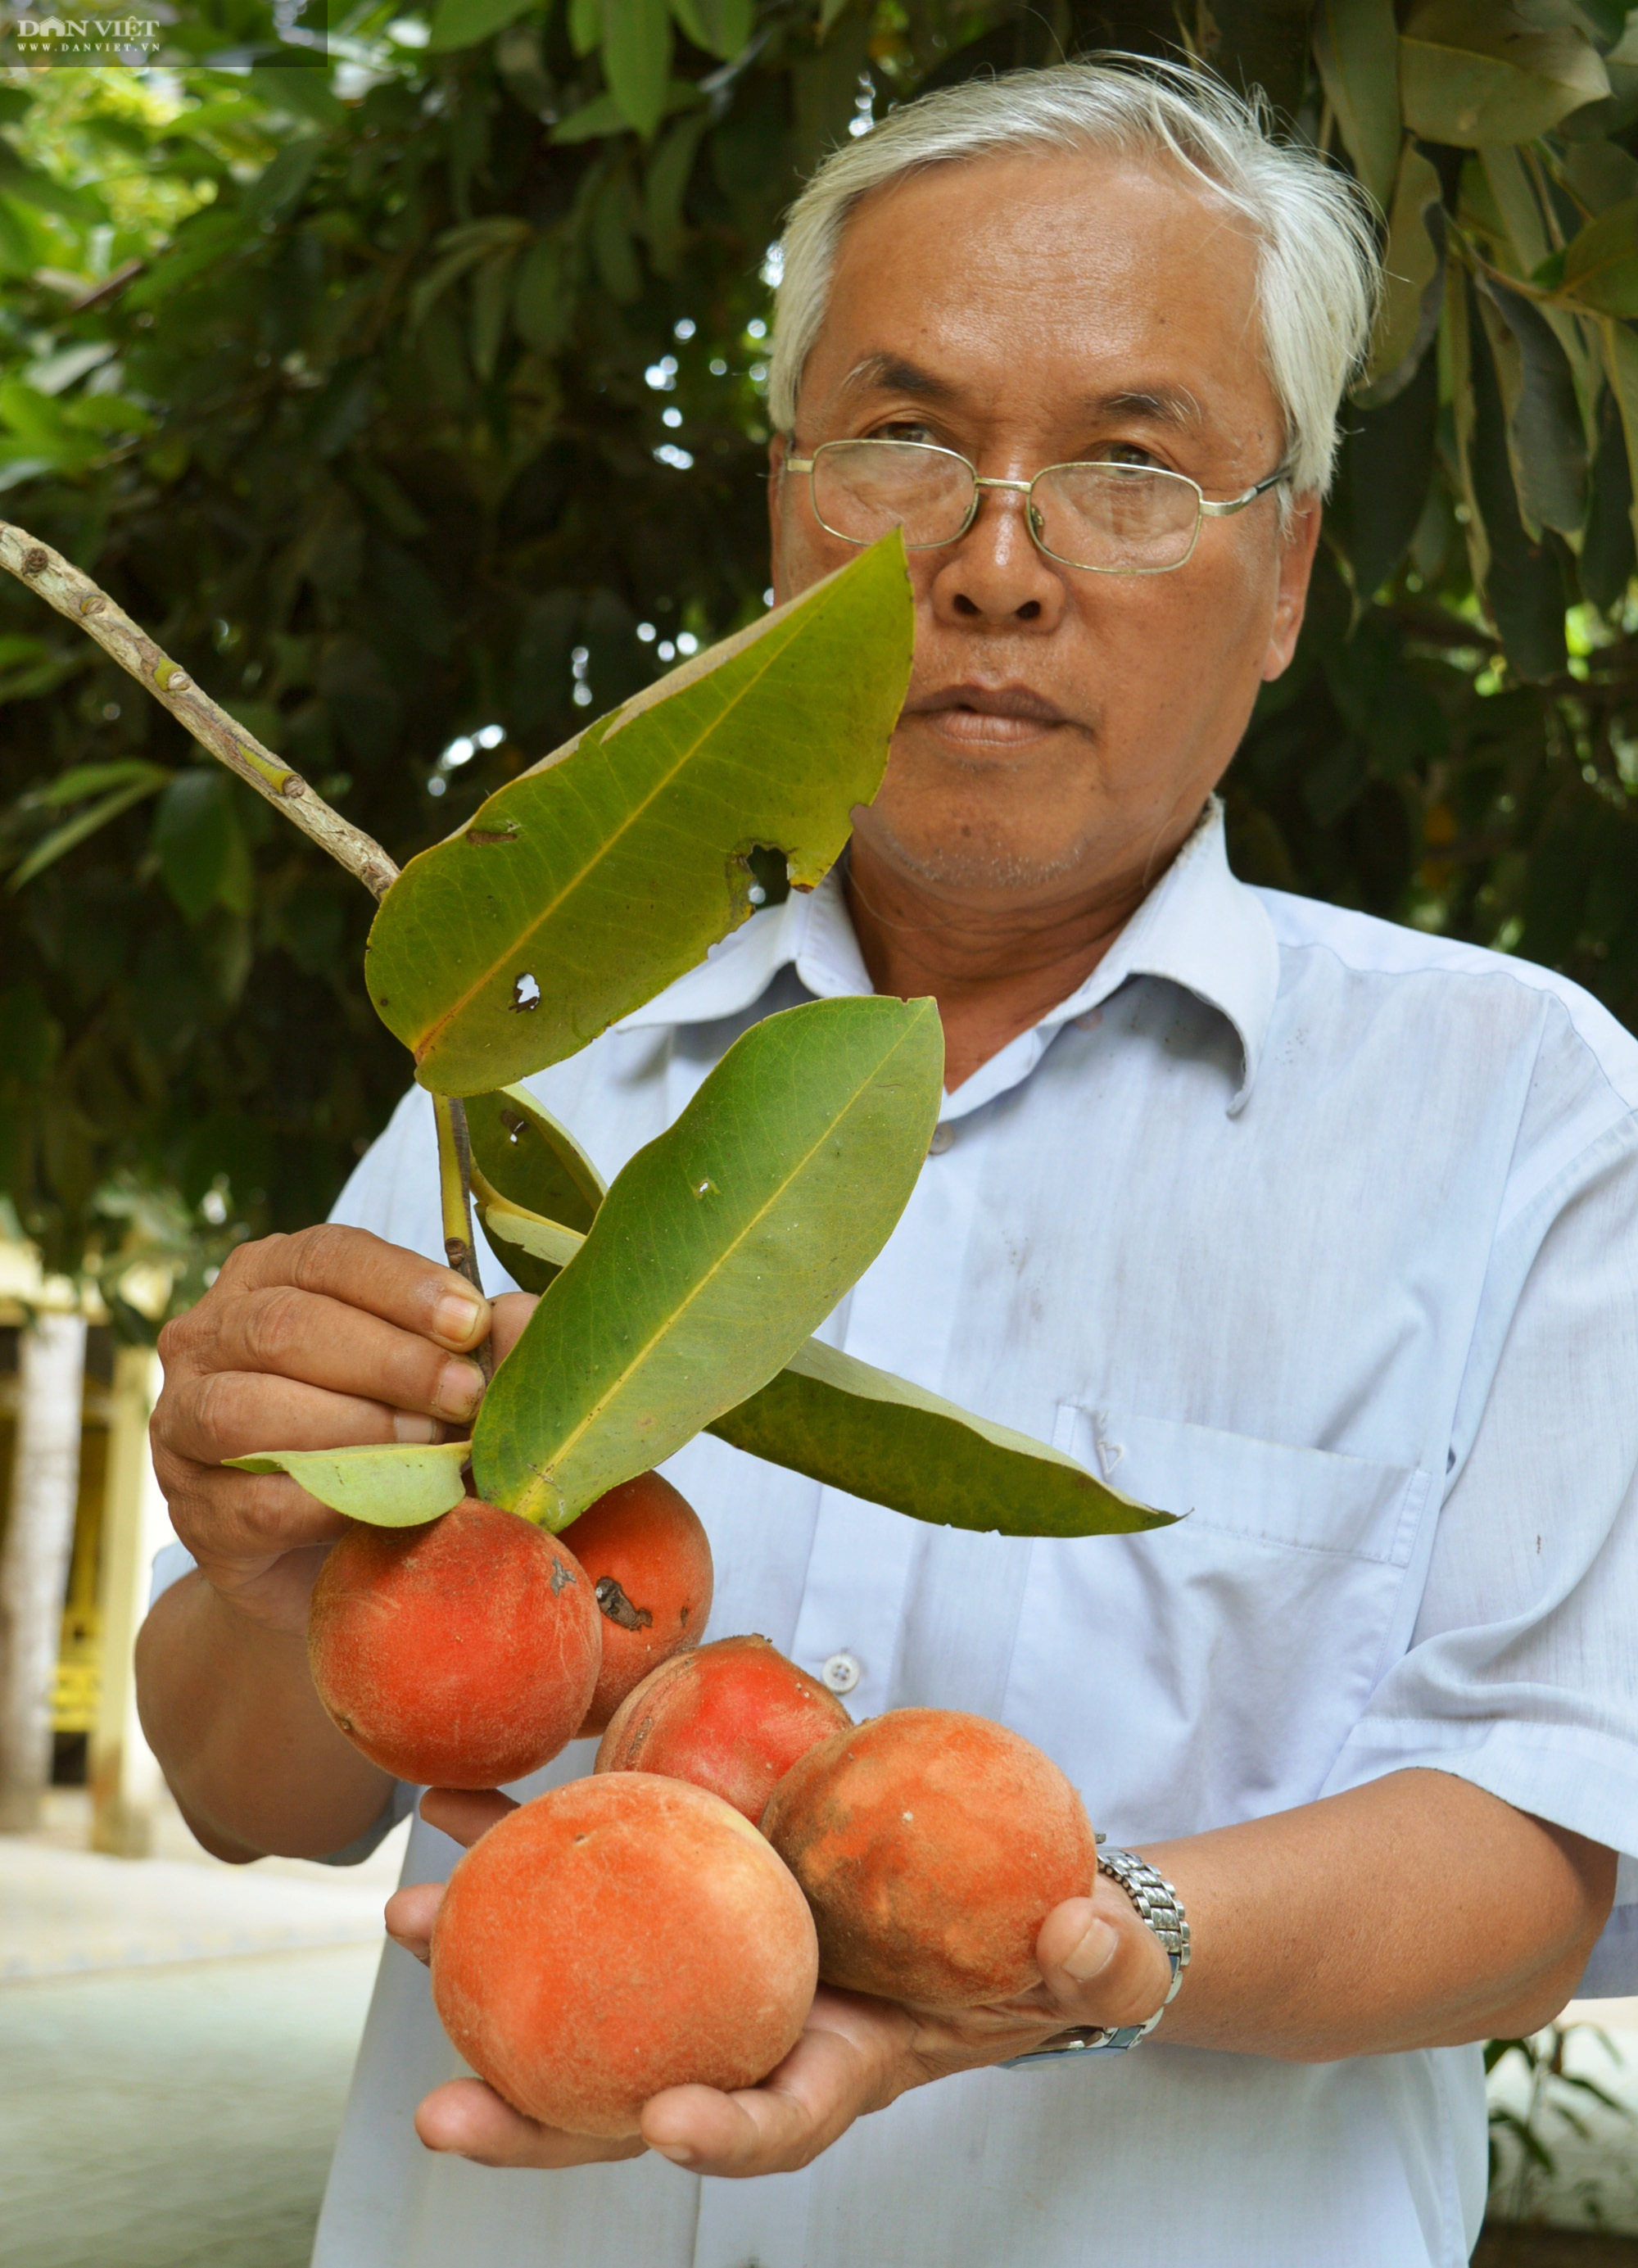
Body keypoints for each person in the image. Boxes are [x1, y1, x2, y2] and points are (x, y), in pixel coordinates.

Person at [134, 60, 1638, 2268]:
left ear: (1293, 563)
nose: (996, 561)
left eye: (1136, 461)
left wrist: (1094, 1950)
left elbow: (1546, 1850)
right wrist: (275, 1575)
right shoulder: (538, 1068)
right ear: (783, 508)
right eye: (904, 438)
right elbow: (248, 1787)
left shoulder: (1522, 1110)